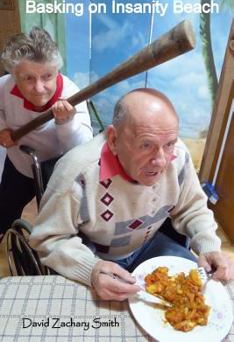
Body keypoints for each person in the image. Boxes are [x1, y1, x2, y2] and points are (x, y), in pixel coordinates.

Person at [30, 88, 234, 301]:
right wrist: (90, 269)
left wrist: (208, 244)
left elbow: (192, 208)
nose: (162, 160)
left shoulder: (178, 157)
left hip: (151, 245)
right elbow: (48, 238)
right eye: (146, 145)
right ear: (113, 139)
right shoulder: (77, 172)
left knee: (201, 297)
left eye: (169, 144)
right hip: (95, 256)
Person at [0, 27, 93, 240]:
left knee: (54, 223)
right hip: (20, 163)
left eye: (47, 76)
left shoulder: (72, 94)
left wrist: (66, 123)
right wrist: (2, 126)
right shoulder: (5, 87)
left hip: (57, 170)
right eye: (29, 79)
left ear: (57, 71)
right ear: (14, 76)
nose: (40, 88)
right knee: (5, 208)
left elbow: (82, 150)